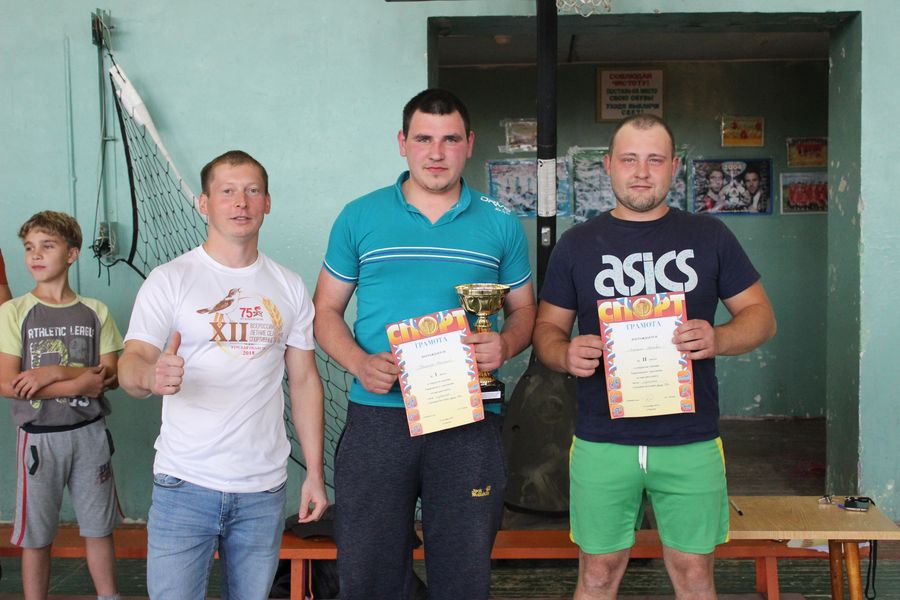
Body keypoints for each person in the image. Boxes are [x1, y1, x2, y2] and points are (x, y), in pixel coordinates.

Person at [532, 114, 776, 599]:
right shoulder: (577, 244)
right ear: (608, 165)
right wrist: (564, 353)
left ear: (674, 167)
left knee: (693, 573)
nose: (641, 172)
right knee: (598, 572)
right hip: (603, 438)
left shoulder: (710, 236)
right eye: (629, 159)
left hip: (690, 438)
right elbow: (546, 330)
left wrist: (719, 338)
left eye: (655, 160)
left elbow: (761, 317)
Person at [313, 89, 535, 600]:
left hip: (468, 420)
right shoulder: (359, 216)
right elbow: (324, 311)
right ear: (402, 142)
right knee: (369, 575)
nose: (436, 153)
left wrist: (505, 343)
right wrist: (358, 363)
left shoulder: (500, 221)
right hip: (379, 418)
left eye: (450, 139)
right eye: (423, 139)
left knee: (463, 575)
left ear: (469, 144)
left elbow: (525, 310)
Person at [118, 150, 328, 600]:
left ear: (267, 202)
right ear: (204, 202)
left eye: (252, 191)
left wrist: (314, 472)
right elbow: (130, 361)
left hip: (262, 490)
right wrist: (151, 376)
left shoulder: (288, 285)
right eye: (227, 191)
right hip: (184, 484)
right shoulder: (170, 279)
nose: (240, 202)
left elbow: (305, 381)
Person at [0, 211, 123, 600]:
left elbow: (109, 375)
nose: (35, 255)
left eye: (47, 246)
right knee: (36, 536)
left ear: (71, 254)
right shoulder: (13, 312)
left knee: (98, 529)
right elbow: (7, 383)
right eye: (29, 248)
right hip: (39, 440)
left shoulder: (95, 311)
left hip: (89, 436)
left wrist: (52, 372)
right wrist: (77, 384)